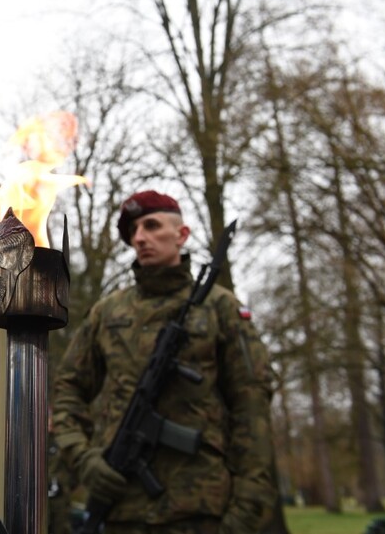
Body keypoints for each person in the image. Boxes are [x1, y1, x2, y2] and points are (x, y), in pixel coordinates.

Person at [51, 190, 276, 534]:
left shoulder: (220, 307)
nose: (140, 238)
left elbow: (252, 407)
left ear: (181, 235)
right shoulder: (107, 313)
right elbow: (68, 389)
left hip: (201, 510)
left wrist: (247, 508)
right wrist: (83, 458)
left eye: (152, 226)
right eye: (133, 231)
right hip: (121, 509)